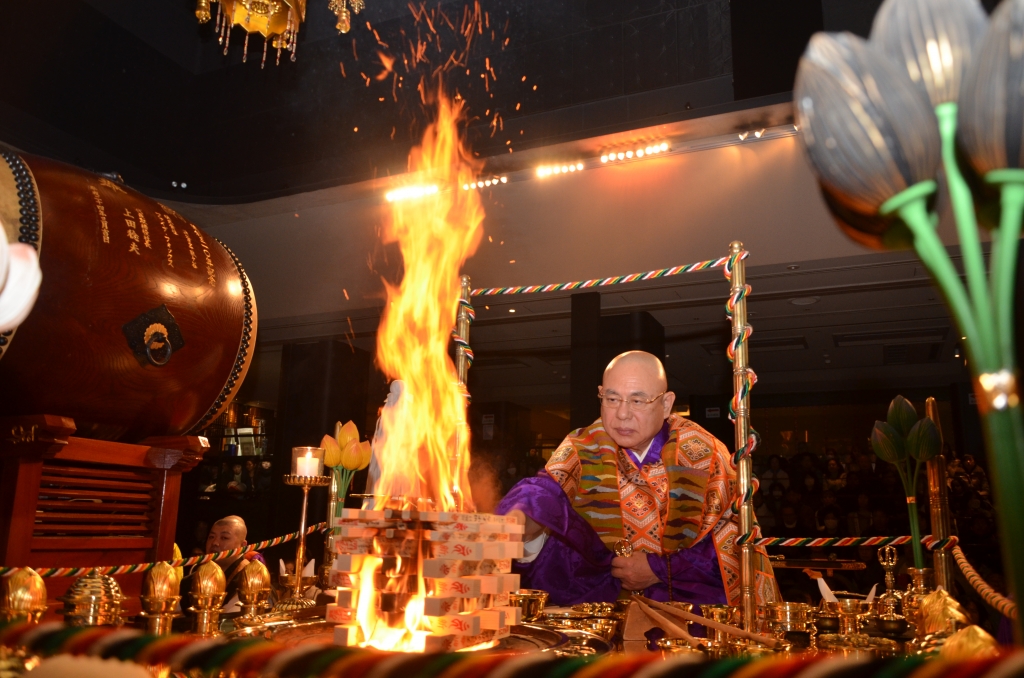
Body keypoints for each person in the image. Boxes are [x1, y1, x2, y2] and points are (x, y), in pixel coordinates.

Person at [496, 351, 779, 606]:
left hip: (686, 606)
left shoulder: (703, 453)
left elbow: (735, 539)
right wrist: (517, 522)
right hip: (608, 603)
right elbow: (545, 491)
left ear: (666, 404)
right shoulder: (585, 446)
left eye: (637, 400)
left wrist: (659, 570)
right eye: (612, 398)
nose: (622, 414)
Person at [182, 515, 252, 611]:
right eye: (211, 537)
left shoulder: (250, 579)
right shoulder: (191, 580)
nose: (214, 543)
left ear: (242, 546)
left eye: (224, 538)